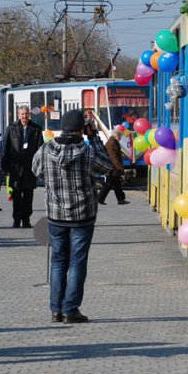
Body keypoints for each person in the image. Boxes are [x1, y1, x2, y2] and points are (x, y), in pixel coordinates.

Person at [32, 109, 113, 324]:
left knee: (59, 261)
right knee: (78, 262)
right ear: (81, 130)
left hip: (55, 215)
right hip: (82, 215)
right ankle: (71, 309)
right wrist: (94, 137)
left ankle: (55, 310)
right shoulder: (87, 152)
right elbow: (107, 166)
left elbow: (36, 171)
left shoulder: (46, 149)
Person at [2, 106, 43, 228]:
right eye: (22, 114)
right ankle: (16, 219)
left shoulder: (36, 129)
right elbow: (6, 148)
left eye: (26, 114)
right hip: (16, 168)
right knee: (16, 195)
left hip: (30, 168)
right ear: (18, 115)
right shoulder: (11, 128)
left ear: (29, 114)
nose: (24, 116)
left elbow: (40, 149)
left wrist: (39, 166)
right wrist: (5, 166)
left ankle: (26, 219)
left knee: (28, 195)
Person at [97, 129, 130, 205]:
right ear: (116, 135)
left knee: (117, 184)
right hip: (112, 168)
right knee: (108, 185)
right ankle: (99, 199)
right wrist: (119, 167)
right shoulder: (112, 143)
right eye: (120, 136)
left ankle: (120, 200)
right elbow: (113, 157)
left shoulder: (113, 142)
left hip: (113, 168)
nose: (120, 138)